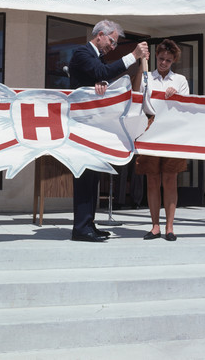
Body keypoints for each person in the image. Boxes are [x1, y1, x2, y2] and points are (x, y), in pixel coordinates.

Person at [68, 19, 149, 242]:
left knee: (92, 177)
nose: (112, 47)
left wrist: (100, 83)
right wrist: (133, 55)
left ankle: (88, 224)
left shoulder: (96, 59)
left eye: (115, 44)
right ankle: (81, 227)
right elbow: (99, 70)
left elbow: (99, 73)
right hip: (80, 126)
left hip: (92, 126)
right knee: (84, 177)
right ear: (100, 34)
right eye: (112, 42)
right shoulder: (81, 52)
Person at [135, 39, 189, 242]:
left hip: (172, 129)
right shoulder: (146, 76)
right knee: (152, 180)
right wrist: (141, 65)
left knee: (170, 179)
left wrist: (176, 97)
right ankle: (155, 225)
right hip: (149, 127)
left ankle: (170, 227)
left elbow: (187, 108)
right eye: (160, 58)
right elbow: (136, 95)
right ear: (155, 57)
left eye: (168, 60)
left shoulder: (181, 80)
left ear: (174, 60)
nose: (163, 63)